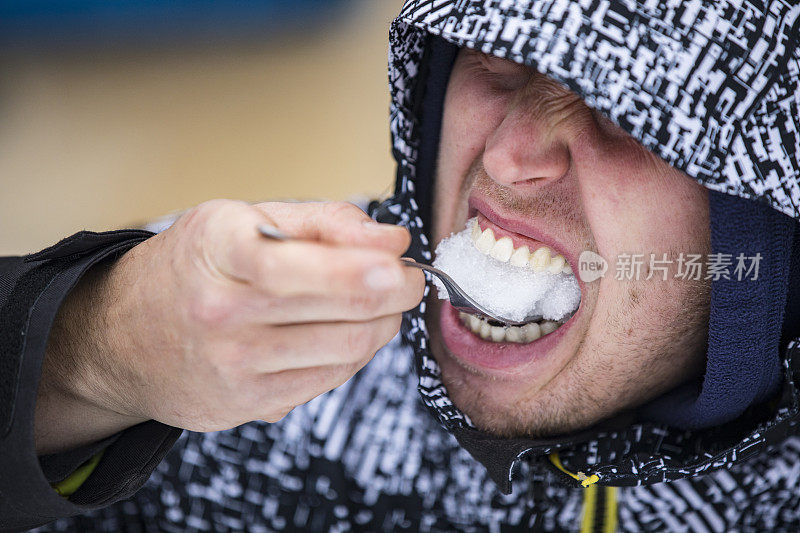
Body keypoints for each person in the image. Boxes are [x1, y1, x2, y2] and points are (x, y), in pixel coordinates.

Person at [3, 0, 800, 530]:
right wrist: (88, 355)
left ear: (760, 227)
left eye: (622, 112)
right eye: (498, 60)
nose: (511, 154)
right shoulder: (227, 318)